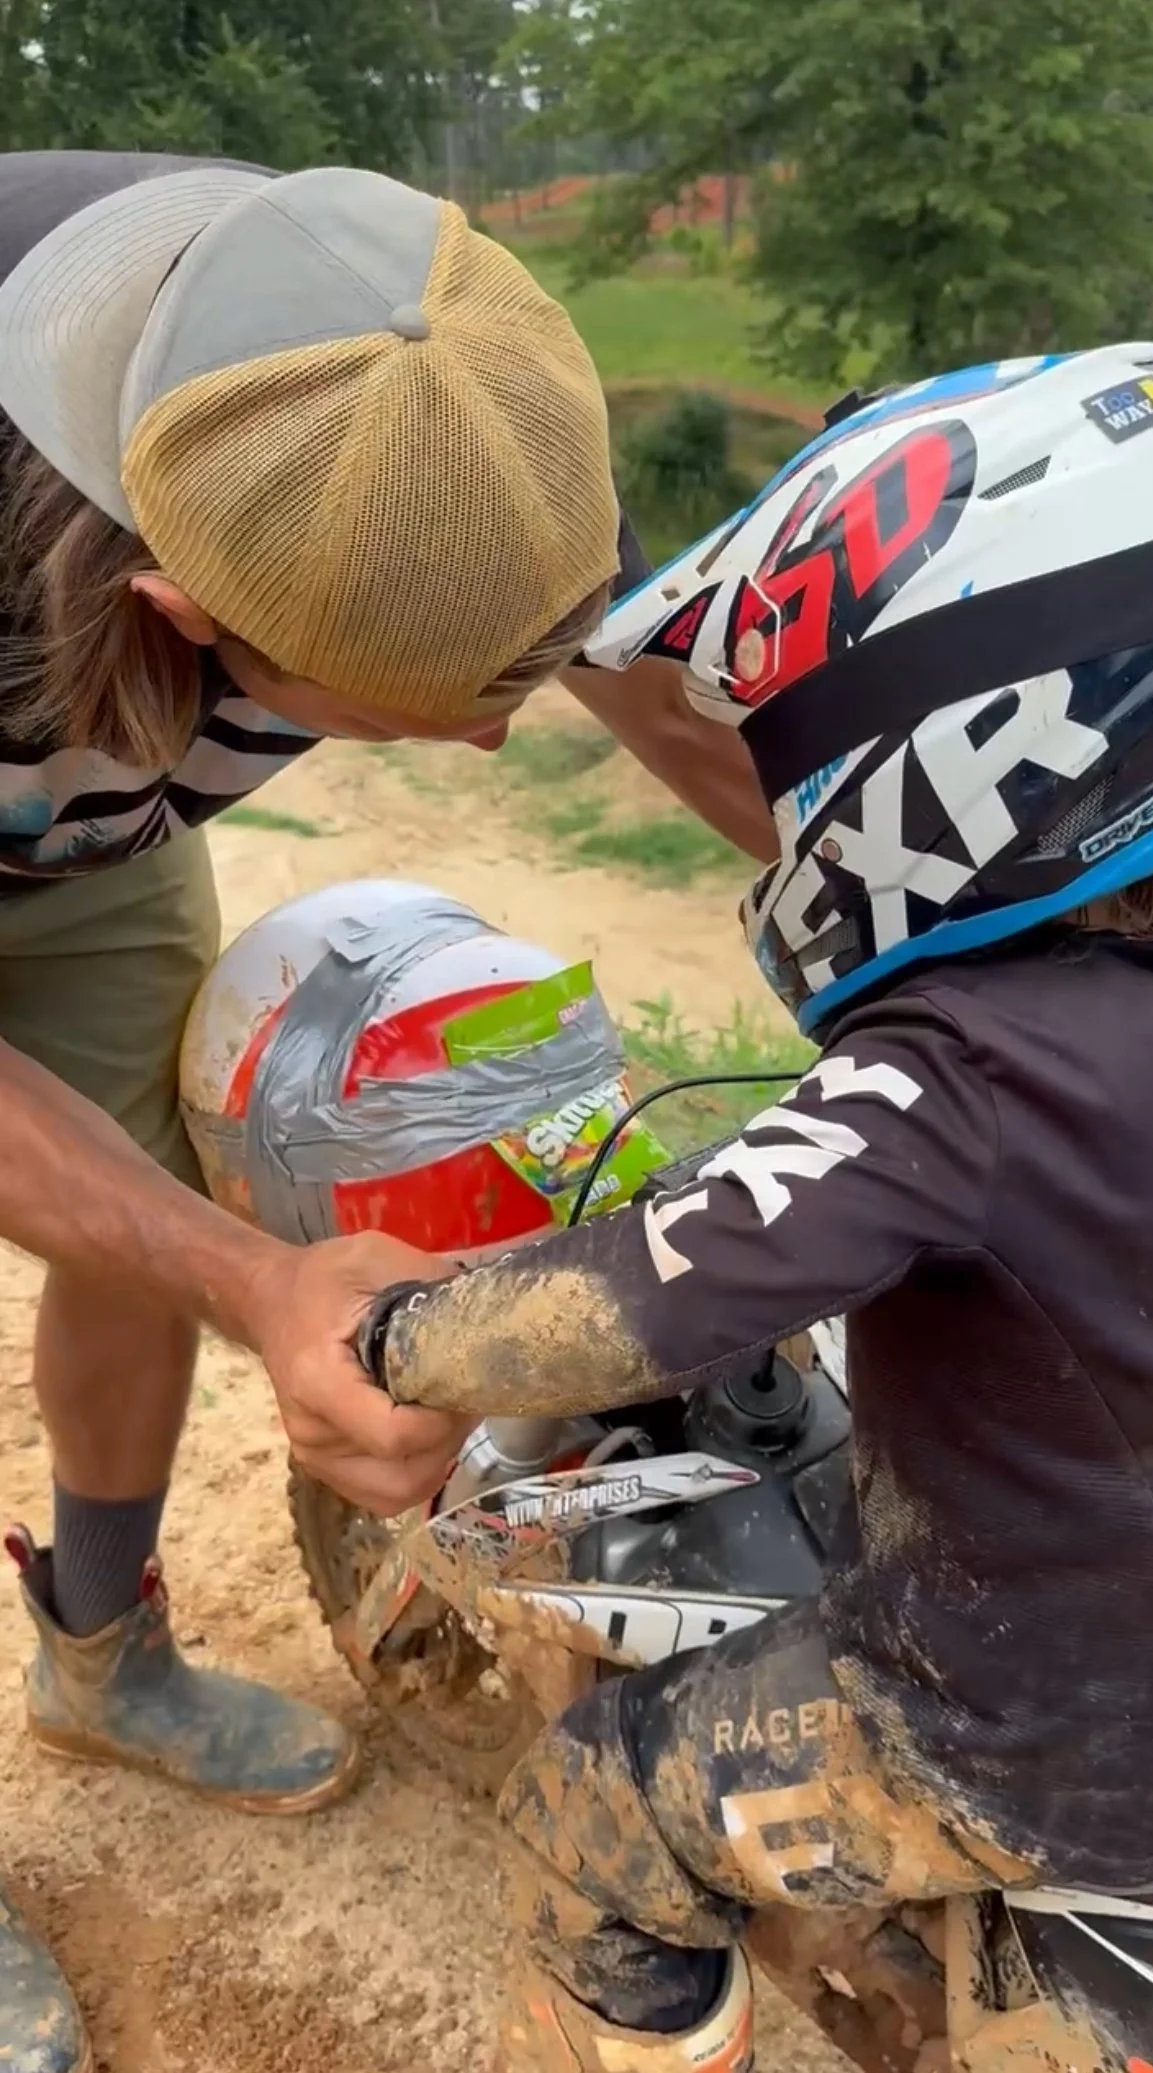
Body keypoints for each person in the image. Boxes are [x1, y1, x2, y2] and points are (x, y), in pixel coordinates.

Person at [0, 150, 775, 2072]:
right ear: (184, 610)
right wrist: (256, 1287)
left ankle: (99, 1654)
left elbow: (645, 686)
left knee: (136, 1186)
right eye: (432, 701)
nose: (507, 731)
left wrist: (930, 973)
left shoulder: (404, 403)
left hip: (73, 816)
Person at [353, 343, 1153, 2070]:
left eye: (805, 738)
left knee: (597, 1814)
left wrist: (391, 1333)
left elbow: (644, 1301)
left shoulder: (967, 1064)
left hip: (1049, 1748)